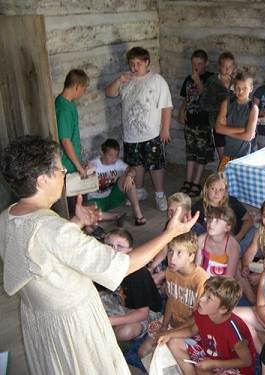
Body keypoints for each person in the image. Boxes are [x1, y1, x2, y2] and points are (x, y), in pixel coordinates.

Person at [0, 136, 199, 375]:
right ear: (43, 180)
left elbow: (43, 251)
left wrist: (75, 222)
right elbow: (122, 265)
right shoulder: (54, 230)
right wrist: (170, 233)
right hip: (71, 322)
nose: (64, 174)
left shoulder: (8, 216)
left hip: (40, 317)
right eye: (61, 169)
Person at [105, 46, 172, 211]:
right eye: (131, 64)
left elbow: (166, 107)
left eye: (138, 64)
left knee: (155, 165)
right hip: (131, 134)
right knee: (136, 165)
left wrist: (165, 129)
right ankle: (140, 191)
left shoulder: (157, 80)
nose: (134, 68)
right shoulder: (126, 80)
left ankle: (159, 194)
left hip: (152, 133)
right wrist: (120, 80)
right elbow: (109, 92)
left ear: (147, 62)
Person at [157, 276, 256, 375]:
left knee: (204, 369)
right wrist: (169, 335)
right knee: (173, 342)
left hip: (234, 366)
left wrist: (214, 364)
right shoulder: (203, 312)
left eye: (209, 298)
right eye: (204, 293)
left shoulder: (233, 330)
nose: (201, 299)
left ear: (223, 309)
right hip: (211, 355)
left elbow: (246, 361)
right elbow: (192, 330)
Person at [138, 232, 209, 359]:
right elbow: (171, 300)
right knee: (143, 352)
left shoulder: (200, 280)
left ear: (191, 256)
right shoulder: (171, 271)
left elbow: (197, 318)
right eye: (170, 251)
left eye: (179, 253)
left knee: (168, 351)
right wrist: (165, 325)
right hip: (173, 322)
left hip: (193, 328)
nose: (172, 258)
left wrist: (170, 333)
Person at [100, 229, 162, 341]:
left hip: (145, 312)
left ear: (131, 251)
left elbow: (143, 313)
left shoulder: (138, 274)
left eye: (120, 246)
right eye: (109, 245)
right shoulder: (106, 264)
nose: (114, 250)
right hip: (119, 303)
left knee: (125, 332)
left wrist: (111, 321)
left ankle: (111, 328)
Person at [178, 49, 215, 197]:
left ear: (206, 63)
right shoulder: (188, 79)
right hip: (190, 122)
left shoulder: (211, 78)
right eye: (194, 64)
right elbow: (185, 98)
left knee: (201, 154)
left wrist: (197, 79)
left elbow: (207, 96)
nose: (196, 67)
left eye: (199, 64)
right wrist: (181, 111)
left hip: (203, 122)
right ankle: (188, 180)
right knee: (191, 153)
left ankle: (197, 182)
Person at [148, 192, 206, 286]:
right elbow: (164, 248)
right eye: (169, 210)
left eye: (176, 212)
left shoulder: (197, 231)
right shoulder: (170, 224)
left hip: (185, 270)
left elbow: (192, 263)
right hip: (170, 262)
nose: (171, 214)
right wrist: (152, 266)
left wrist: (163, 274)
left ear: (187, 213)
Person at [191, 172, 255, 252]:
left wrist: (238, 238)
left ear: (225, 192)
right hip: (212, 241)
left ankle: (236, 255)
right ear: (206, 189)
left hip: (236, 237)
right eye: (213, 188)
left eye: (221, 190)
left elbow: (249, 220)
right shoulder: (198, 207)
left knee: (253, 232)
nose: (216, 193)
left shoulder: (232, 202)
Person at [87, 138, 146, 226]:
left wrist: (129, 176)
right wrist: (86, 169)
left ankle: (138, 214)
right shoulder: (94, 164)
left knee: (128, 179)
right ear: (102, 153)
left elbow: (132, 169)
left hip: (111, 197)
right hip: (96, 200)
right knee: (87, 213)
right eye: (110, 155)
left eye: (116, 155)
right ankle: (116, 216)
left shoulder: (118, 163)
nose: (114, 158)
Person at [55, 69, 89, 215]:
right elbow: (65, 140)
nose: (84, 92)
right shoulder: (64, 109)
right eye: (84, 89)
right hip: (68, 165)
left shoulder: (68, 103)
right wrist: (78, 166)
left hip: (73, 160)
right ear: (76, 86)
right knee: (75, 204)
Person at [215, 72, 259, 172]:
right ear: (234, 88)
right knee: (222, 183)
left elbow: (248, 136)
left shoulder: (253, 108)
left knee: (241, 186)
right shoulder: (226, 103)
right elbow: (218, 128)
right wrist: (241, 130)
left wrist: (227, 131)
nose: (241, 91)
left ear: (251, 89)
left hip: (245, 156)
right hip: (227, 153)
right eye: (238, 88)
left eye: (245, 88)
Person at [200, 52, 237, 162]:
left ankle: (229, 178)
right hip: (218, 124)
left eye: (230, 66)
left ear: (233, 68)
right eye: (224, 66)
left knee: (232, 157)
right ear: (219, 67)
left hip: (232, 124)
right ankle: (222, 178)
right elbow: (204, 103)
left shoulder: (236, 83)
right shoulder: (212, 81)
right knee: (223, 158)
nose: (227, 69)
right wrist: (220, 106)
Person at [196, 206, 240, 278]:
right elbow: (197, 269)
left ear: (227, 227)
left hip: (222, 285)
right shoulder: (201, 240)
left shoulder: (233, 246)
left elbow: (229, 277)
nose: (211, 224)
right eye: (210, 219)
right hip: (203, 280)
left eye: (217, 221)